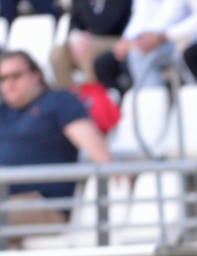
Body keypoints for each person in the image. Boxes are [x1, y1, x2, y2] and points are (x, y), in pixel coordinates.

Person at [0, 50, 113, 237]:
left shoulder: (59, 102)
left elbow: (99, 153)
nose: (9, 84)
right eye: (2, 79)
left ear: (36, 75)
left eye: (16, 76)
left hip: (44, 205)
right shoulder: (3, 111)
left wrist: (110, 169)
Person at [50, 0, 133, 89]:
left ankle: (95, 97)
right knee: (58, 54)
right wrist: (76, 35)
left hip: (119, 40)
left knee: (86, 48)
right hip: (88, 40)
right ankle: (69, 97)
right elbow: (74, 22)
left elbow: (106, 26)